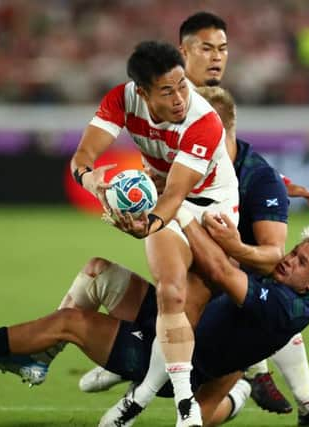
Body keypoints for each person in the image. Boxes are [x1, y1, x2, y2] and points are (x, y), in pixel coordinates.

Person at [81, 12, 309, 427]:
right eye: (207, 48)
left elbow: (230, 154)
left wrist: (279, 183)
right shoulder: (168, 97)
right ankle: (240, 379)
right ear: (184, 52)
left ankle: (262, 384)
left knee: (253, 294)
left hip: (207, 214)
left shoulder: (205, 106)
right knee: (191, 299)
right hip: (177, 212)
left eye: (223, 49)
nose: (217, 58)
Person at [0, 222, 309, 427]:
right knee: (98, 271)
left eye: (299, 261)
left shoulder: (281, 305)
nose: (287, 259)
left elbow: (220, 269)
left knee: (71, 322)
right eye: (294, 251)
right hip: (174, 320)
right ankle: (37, 360)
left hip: (171, 355)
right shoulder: (294, 295)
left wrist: (178, 212)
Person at [70, 39, 239, 426]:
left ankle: (149, 392)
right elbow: (82, 159)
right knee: (171, 291)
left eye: (183, 84)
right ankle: (186, 407)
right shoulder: (121, 100)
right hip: (166, 201)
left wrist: (146, 224)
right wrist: (94, 184)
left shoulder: (203, 119)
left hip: (211, 210)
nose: (181, 96)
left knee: (209, 304)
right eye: (168, 90)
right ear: (142, 92)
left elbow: (177, 195)